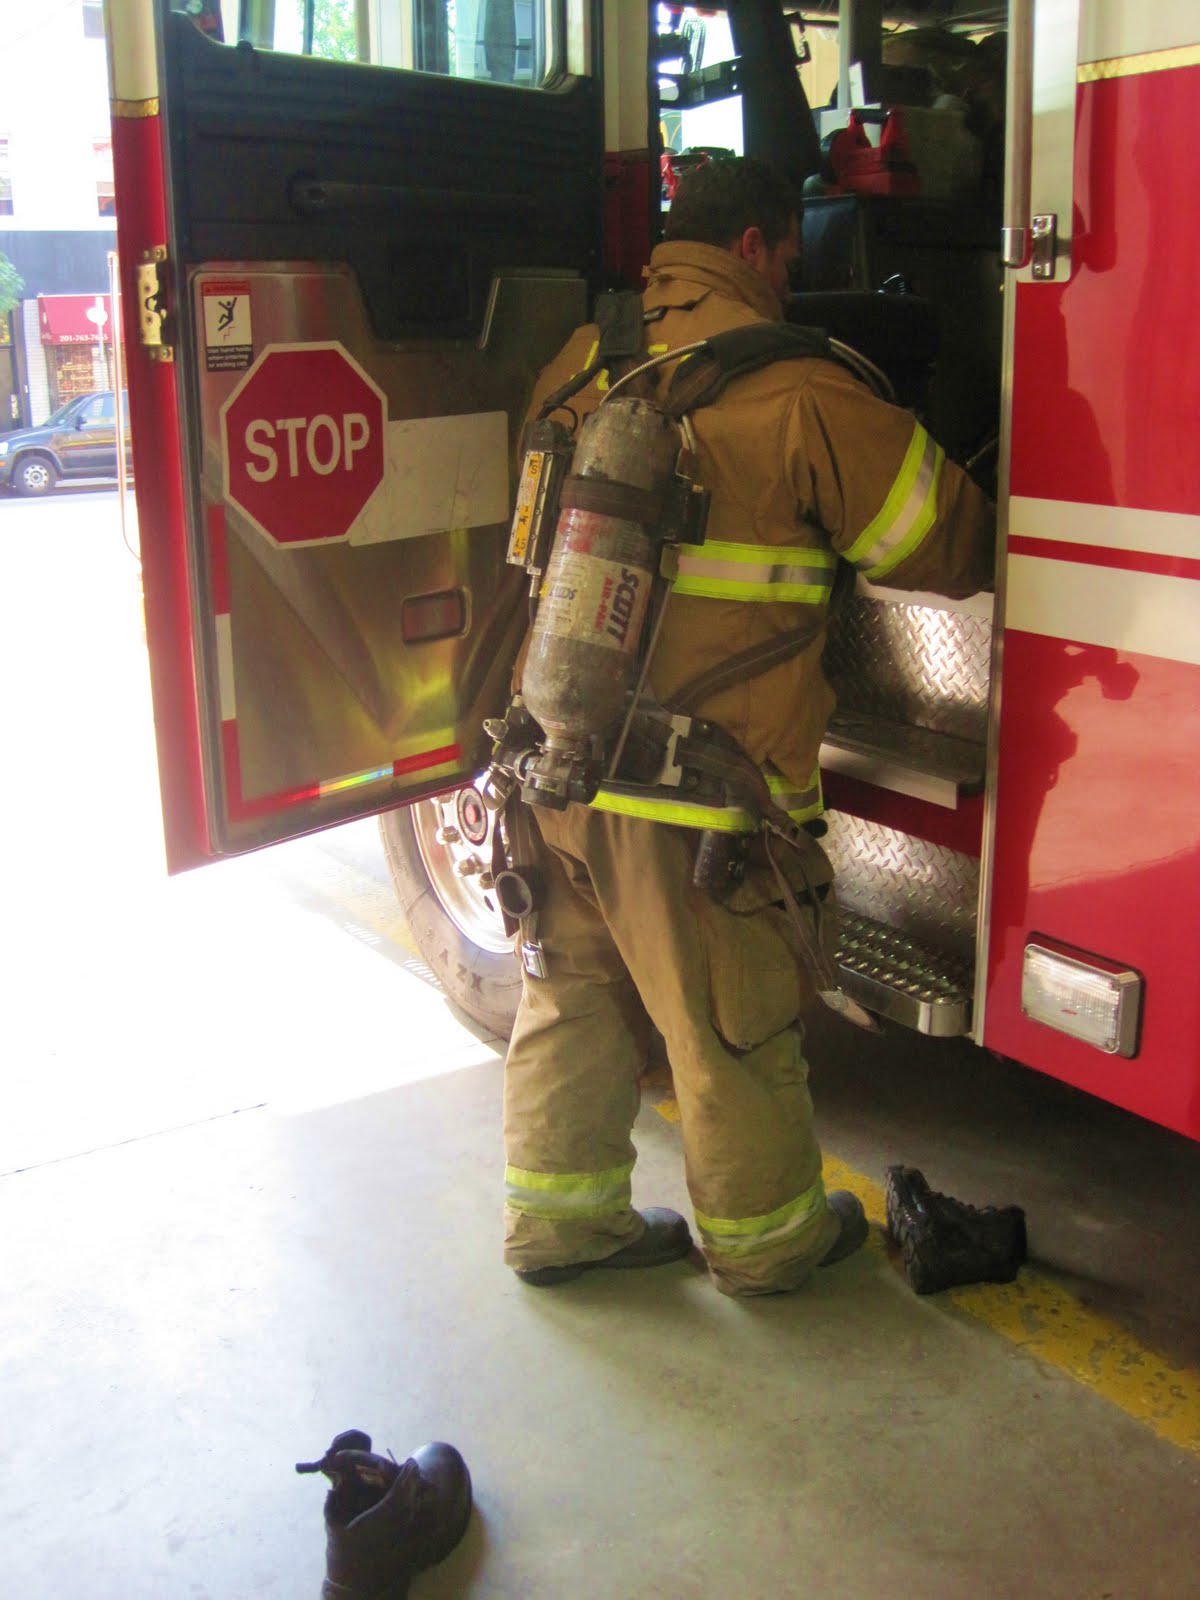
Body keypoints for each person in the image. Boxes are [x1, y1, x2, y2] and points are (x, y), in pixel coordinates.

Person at [502, 156, 994, 1296]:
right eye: (790, 252)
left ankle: (559, 1226)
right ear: (761, 247)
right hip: (700, 797)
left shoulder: (584, 359)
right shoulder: (804, 392)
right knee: (729, 1025)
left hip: (557, 758)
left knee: (569, 993)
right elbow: (953, 545)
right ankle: (768, 1243)